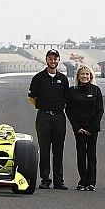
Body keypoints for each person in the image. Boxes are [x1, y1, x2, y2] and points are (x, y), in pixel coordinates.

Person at [28, 48, 70, 190]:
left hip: (59, 117)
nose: (53, 61)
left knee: (59, 150)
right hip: (43, 116)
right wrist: (42, 107)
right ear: (46, 60)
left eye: (55, 58)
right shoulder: (38, 78)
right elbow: (31, 97)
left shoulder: (63, 79)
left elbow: (66, 98)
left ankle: (59, 181)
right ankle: (45, 179)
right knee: (44, 149)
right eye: (50, 58)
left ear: (58, 60)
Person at [66, 65, 104, 191]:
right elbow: (69, 110)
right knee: (81, 155)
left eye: (87, 74)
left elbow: (100, 110)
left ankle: (91, 182)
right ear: (78, 76)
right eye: (82, 74)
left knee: (91, 155)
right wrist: (77, 127)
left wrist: (91, 128)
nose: (85, 76)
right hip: (79, 129)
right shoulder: (72, 91)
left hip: (92, 130)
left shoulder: (96, 90)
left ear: (91, 76)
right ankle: (82, 181)